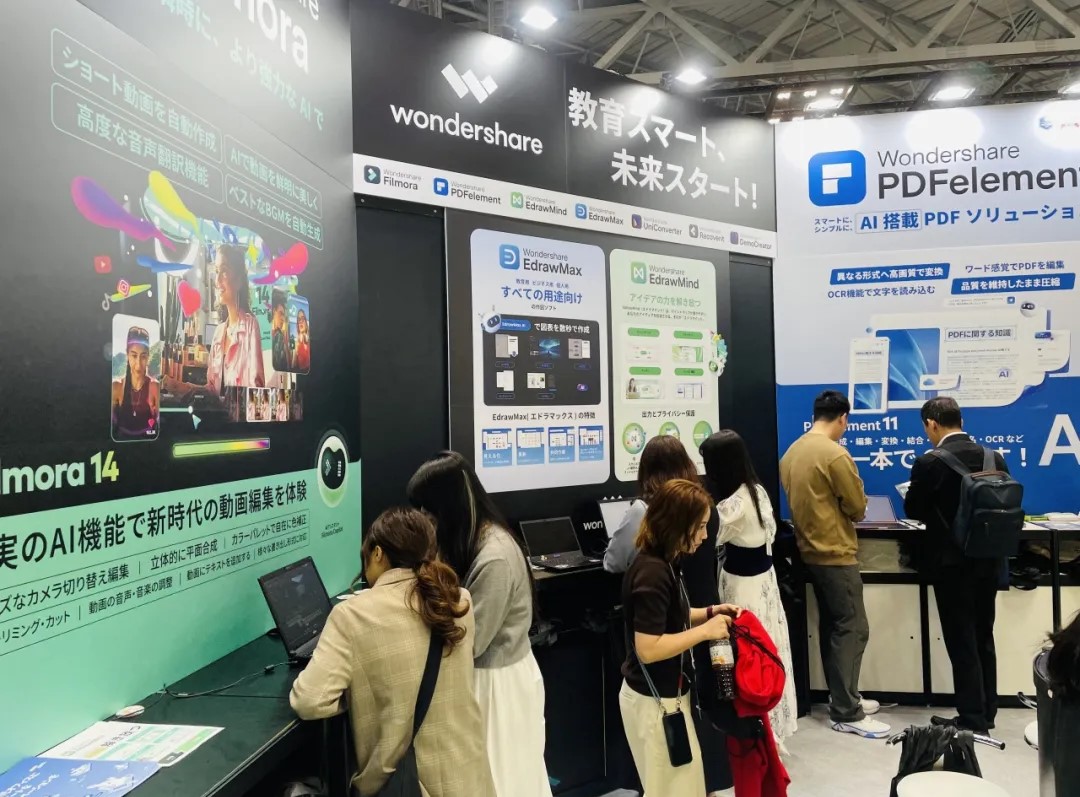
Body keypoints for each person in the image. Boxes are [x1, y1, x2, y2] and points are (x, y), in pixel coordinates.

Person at [290, 507, 496, 797]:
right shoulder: (458, 601)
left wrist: (357, 691)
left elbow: (309, 701)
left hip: (409, 785)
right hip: (467, 775)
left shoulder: (352, 615)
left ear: (377, 553)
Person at [406, 452, 552, 797]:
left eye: (428, 511)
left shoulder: (495, 558)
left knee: (501, 782)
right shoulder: (473, 541)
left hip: (498, 686)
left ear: (447, 508)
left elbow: (472, 641)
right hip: (493, 679)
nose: (424, 519)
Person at [602, 435, 733, 794]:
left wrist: (709, 613)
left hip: (666, 693)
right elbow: (649, 648)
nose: (705, 537)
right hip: (652, 700)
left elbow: (672, 617)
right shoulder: (652, 573)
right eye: (700, 527)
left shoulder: (666, 564)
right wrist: (705, 632)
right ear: (679, 525)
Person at [780, 390, 887, 739]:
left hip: (807, 552)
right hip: (836, 553)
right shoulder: (835, 454)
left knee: (834, 627)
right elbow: (857, 507)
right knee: (853, 628)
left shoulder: (791, 453)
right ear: (843, 418)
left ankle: (844, 697)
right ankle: (846, 711)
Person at [904, 397, 1007, 733]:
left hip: (951, 566)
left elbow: (914, 509)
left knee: (961, 640)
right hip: (989, 560)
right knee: (983, 635)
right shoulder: (994, 457)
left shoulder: (929, 462)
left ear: (932, 423)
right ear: (960, 420)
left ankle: (972, 718)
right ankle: (987, 711)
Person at [702, 430, 798, 743]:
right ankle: (771, 728)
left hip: (742, 589)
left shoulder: (732, 507)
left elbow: (705, 536)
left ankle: (758, 729)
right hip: (764, 584)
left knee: (747, 657)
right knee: (767, 652)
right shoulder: (755, 491)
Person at [165, 244, 265, 401]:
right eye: (217, 271)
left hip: (239, 417)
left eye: (224, 271)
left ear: (239, 281)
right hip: (217, 416)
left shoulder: (250, 326)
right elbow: (212, 389)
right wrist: (182, 387)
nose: (217, 281)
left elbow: (256, 391)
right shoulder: (219, 333)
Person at [112, 326, 159, 439]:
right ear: (127, 355)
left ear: (148, 356)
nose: (138, 364)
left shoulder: (154, 387)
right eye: (134, 356)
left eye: (143, 356)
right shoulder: (117, 387)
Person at [271, 299, 291, 373]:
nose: (282, 318)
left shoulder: (282, 337)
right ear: (274, 311)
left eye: (284, 316)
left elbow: (288, 367)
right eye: (280, 313)